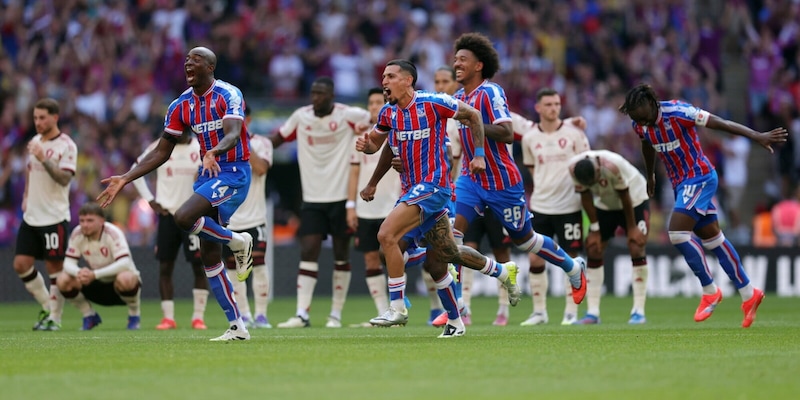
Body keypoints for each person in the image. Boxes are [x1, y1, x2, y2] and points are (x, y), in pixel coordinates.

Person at [97, 46, 255, 341]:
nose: (188, 64)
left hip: (234, 171)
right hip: (208, 175)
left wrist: (215, 152)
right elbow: (161, 151)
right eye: (186, 60)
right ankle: (237, 327)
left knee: (183, 217)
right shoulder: (180, 105)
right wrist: (127, 178)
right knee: (209, 256)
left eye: (195, 60)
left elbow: (234, 133)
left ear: (210, 67)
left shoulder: (228, 94)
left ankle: (239, 241)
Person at [356, 59, 519, 338]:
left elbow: (474, 115)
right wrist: (366, 150)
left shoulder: (433, 103)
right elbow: (377, 146)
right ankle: (493, 282)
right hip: (412, 191)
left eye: (391, 76)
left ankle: (397, 307)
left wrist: (479, 154)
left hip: (435, 186)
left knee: (387, 235)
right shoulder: (389, 113)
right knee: (442, 258)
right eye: (383, 76)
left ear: (408, 80)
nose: (384, 81)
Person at [619, 83, 788, 328]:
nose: (640, 123)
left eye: (642, 117)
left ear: (651, 104)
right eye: (636, 120)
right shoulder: (640, 126)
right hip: (680, 184)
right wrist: (651, 175)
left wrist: (756, 136)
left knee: (677, 233)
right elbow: (646, 143)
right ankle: (749, 293)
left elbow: (721, 123)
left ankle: (710, 290)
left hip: (699, 177)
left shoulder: (679, 112)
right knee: (713, 239)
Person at [449, 33, 587, 320]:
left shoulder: (491, 93)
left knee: (526, 241)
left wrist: (475, 122)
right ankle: (457, 306)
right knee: (452, 236)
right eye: (456, 58)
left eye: (463, 59)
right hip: (471, 180)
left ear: (479, 65)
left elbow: (508, 132)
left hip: (502, 183)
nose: (456, 63)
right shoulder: (458, 98)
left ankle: (573, 267)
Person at [272, 77, 371, 328]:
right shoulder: (301, 117)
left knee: (340, 255)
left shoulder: (349, 115)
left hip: (340, 198)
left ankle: (335, 314)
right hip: (313, 199)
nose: (315, 98)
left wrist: (366, 129)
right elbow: (280, 138)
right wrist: (255, 146)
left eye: (321, 94)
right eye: (313, 93)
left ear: (332, 95)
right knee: (308, 250)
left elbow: (375, 119)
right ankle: (302, 313)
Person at [520, 87, 591, 326]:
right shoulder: (530, 138)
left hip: (569, 206)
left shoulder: (575, 134)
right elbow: (533, 170)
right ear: (538, 108)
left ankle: (571, 312)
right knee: (535, 260)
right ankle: (540, 312)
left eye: (557, 104)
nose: (554, 108)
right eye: (548, 104)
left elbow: (586, 169)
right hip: (540, 206)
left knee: (571, 259)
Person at [132, 129, 209, 330]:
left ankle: (198, 317)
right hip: (167, 215)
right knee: (165, 267)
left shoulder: (200, 146)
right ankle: (168, 318)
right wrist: (150, 199)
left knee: (199, 266)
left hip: (191, 214)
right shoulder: (161, 146)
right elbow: (136, 168)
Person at [13, 98, 75, 331]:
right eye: (35, 118)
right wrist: (26, 195)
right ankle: (48, 307)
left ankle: (55, 320)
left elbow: (65, 178)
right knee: (21, 264)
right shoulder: (35, 142)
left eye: (42, 118)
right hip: (32, 215)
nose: (37, 122)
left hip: (54, 216)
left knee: (54, 269)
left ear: (55, 118)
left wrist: (43, 158)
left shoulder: (66, 146)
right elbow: (31, 170)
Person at [568, 150, 651, 324]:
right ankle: (592, 313)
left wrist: (632, 228)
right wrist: (595, 230)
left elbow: (625, 196)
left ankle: (638, 311)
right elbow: (586, 197)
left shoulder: (612, 166)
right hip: (606, 204)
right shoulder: (573, 168)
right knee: (593, 248)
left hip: (634, 199)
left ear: (598, 171)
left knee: (636, 246)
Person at [346, 88, 400, 326]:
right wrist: (350, 206)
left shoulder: (399, 131)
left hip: (394, 204)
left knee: (398, 254)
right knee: (370, 259)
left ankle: (411, 305)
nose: (375, 106)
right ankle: (383, 311)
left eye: (380, 102)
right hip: (366, 207)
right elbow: (354, 172)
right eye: (371, 103)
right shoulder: (360, 137)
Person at [222, 108, 274, 329]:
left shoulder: (262, 143)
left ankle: (261, 315)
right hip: (229, 218)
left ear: (248, 120)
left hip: (255, 217)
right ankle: (244, 314)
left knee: (259, 265)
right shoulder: (220, 144)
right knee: (233, 269)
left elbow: (261, 168)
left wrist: (241, 141)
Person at [57, 202, 142, 330]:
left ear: (102, 221)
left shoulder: (113, 233)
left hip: (118, 285)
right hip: (95, 282)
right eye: (82, 220)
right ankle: (89, 315)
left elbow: (124, 263)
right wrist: (79, 272)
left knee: (126, 278)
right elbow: (68, 263)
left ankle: (134, 315)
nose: (85, 225)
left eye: (90, 220)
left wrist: (94, 274)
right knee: (63, 280)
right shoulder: (77, 233)